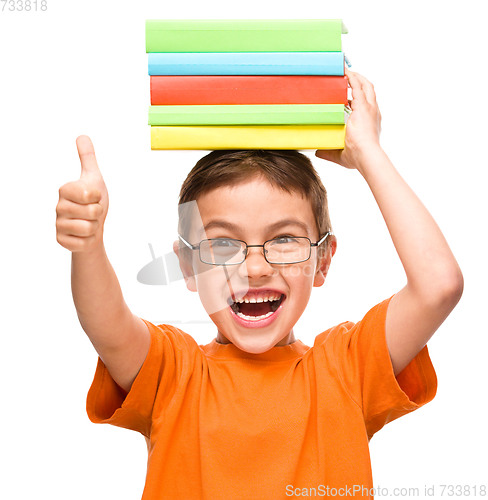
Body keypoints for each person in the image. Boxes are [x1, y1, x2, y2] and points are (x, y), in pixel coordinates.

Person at [55, 69, 463, 499]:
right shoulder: (171, 373)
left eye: (284, 238)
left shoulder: (347, 369)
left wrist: (368, 153)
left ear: (322, 260)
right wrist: (88, 247)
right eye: (224, 243)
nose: (254, 267)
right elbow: (106, 325)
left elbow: (439, 285)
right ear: (189, 268)